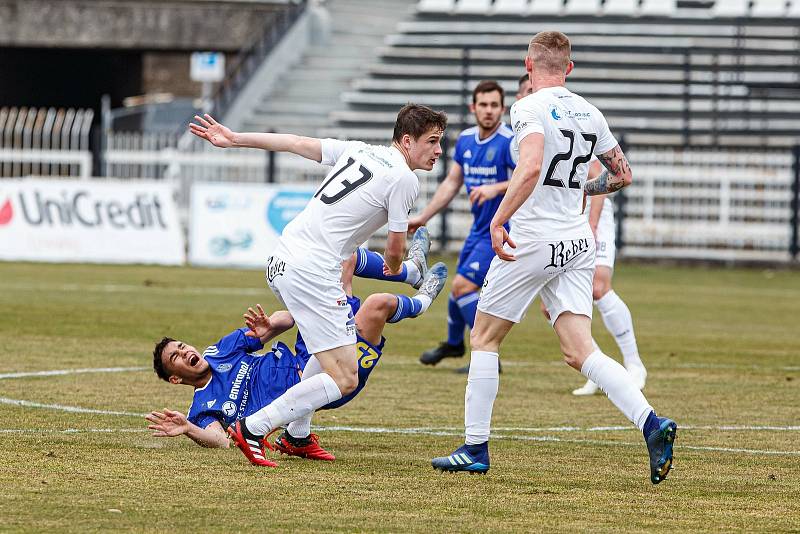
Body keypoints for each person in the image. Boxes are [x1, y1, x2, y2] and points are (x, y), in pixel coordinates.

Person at [430, 31, 677, 485]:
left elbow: (528, 167)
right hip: (577, 242)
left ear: (528, 65)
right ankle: (651, 423)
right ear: (570, 67)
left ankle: (474, 447)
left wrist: (498, 219)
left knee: (484, 337)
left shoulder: (527, 108)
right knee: (580, 350)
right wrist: (583, 188)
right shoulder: (590, 111)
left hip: (533, 239)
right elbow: (622, 175)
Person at [190, 105, 447, 466]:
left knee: (321, 357)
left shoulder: (360, 150)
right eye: (432, 142)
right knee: (345, 378)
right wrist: (398, 267)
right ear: (407, 141)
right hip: (311, 272)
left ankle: (296, 436)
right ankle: (253, 428)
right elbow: (393, 248)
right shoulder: (405, 179)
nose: (438, 151)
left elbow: (295, 142)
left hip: (283, 259)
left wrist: (234, 139)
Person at [147, 240, 449, 466]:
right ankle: (423, 299)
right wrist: (187, 428)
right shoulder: (203, 407)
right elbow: (219, 440)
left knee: (345, 257)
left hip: (306, 348)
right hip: (319, 379)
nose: (185, 351)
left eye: (182, 346)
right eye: (176, 356)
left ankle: (410, 272)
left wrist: (269, 323)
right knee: (377, 305)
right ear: (175, 379)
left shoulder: (220, 352)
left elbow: (284, 320)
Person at [407, 81, 516, 369]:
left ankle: (486, 353)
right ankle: (455, 344)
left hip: (503, 230)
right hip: (479, 229)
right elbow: (452, 182)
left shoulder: (510, 141)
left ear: (502, 109)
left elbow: (530, 177)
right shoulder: (466, 140)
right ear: (474, 108)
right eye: (483, 105)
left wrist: (496, 188)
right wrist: (423, 217)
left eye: (494, 105)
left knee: (462, 286)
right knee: (458, 289)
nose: (489, 111)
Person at [568, 158, 647, 396]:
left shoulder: (572, 123)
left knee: (598, 287)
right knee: (551, 306)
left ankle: (634, 365)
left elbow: (598, 176)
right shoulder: (534, 135)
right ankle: (598, 370)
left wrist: (592, 225)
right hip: (564, 219)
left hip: (594, 215)